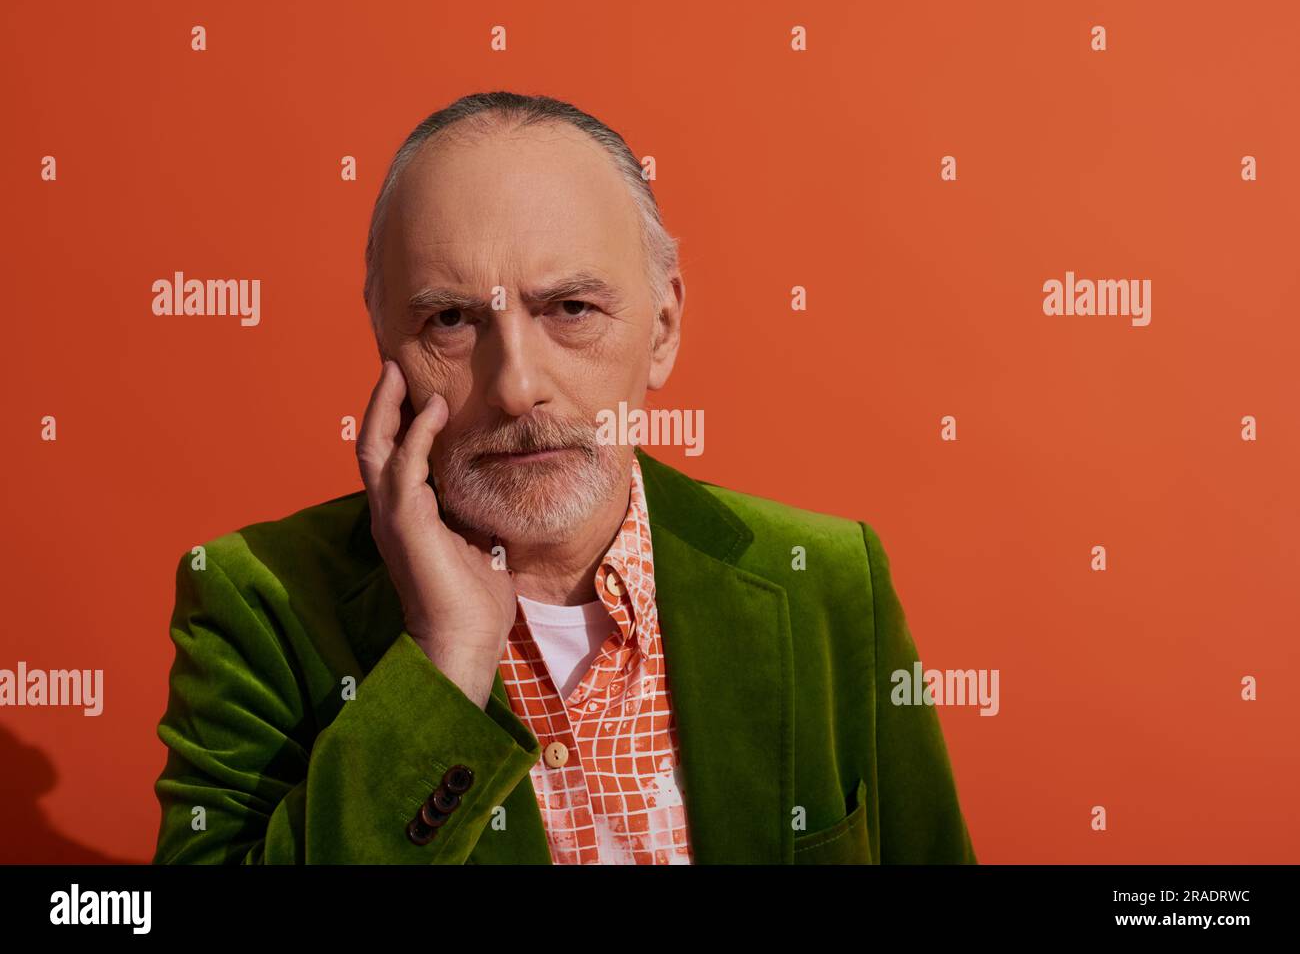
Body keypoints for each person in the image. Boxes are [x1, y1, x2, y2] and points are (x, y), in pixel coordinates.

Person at [152, 90, 977, 864]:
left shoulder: (832, 580)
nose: (516, 384)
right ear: (386, 346)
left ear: (662, 330)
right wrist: (444, 665)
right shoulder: (257, 601)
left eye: (570, 311)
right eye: (450, 319)